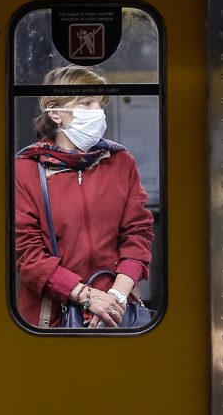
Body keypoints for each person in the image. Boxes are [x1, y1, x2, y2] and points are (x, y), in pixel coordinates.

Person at [14, 65, 154, 328]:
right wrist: (87, 297)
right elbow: (27, 253)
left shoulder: (122, 162)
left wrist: (116, 297)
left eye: (100, 104)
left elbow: (138, 233)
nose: (98, 113)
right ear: (55, 112)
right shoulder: (27, 168)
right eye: (87, 103)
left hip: (116, 312)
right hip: (49, 319)